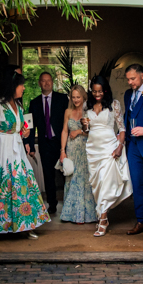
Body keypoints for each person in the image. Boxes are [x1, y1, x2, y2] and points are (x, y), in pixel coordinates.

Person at [0, 71, 50, 238]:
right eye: (21, 85)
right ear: (12, 86)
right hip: (2, 150)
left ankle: (26, 225)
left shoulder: (19, 106)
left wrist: (23, 131)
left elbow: (20, 128)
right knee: (2, 186)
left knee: (24, 183)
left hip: (17, 150)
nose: (23, 88)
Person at [85, 75, 131, 237]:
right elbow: (87, 130)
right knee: (96, 185)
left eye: (100, 91)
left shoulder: (114, 105)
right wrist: (85, 127)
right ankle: (102, 214)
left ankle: (103, 219)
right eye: (94, 91)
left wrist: (120, 146)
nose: (97, 94)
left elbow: (122, 128)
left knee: (106, 182)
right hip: (92, 150)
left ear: (105, 90)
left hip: (109, 148)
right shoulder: (87, 105)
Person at [26, 72, 68, 215]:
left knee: (65, 173)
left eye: (49, 80)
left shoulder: (62, 99)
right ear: (39, 83)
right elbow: (30, 128)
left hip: (61, 143)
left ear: (53, 82)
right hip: (45, 143)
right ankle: (52, 204)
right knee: (48, 175)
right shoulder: (34, 103)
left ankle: (68, 203)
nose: (46, 83)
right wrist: (31, 146)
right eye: (43, 81)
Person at [58, 84, 97, 224]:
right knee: (72, 178)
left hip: (86, 149)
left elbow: (94, 131)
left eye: (78, 97)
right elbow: (64, 131)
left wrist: (79, 131)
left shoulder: (90, 112)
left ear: (84, 97)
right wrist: (62, 151)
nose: (76, 100)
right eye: (73, 97)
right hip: (72, 149)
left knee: (85, 179)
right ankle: (71, 214)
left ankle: (86, 215)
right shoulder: (68, 111)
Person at [123, 63, 143, 235]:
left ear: (142, 75)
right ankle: (142, 221)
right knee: (137, 185)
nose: (130, 82)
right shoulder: (128, 94)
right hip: (132, 145)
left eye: (132, 78)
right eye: (128, 79)